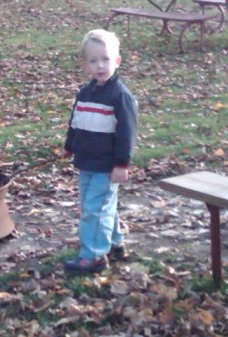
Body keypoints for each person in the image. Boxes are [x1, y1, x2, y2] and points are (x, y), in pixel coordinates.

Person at [63, 29, 138, 274]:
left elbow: (127, 133)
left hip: (106, 165)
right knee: (96, 205)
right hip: (86, 161)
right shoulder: (86, 92)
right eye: (94, 61)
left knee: (96, 209)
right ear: (86, 65)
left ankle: (93, 255)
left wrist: (121, 164)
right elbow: (77, 120)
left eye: (105, 59)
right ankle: (115, 243)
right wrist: (70, 144)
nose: (100, 65)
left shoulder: (120, 96)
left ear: (116, 60)